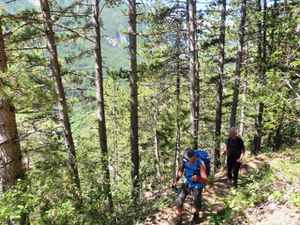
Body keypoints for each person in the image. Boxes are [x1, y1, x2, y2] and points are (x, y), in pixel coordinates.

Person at [172, 148, 208, 225]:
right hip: (187, 182)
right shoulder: (185, 161)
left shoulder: (200, 163)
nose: (186, 161)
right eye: (185, 159)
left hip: (197, 184)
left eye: (188, 159)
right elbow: (180, 171)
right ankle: (179, 218)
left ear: (193, 157)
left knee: (197, 201)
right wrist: (176, 180)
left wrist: (198, 178)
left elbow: (205, 180)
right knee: (179, 200)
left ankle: (196, 215)